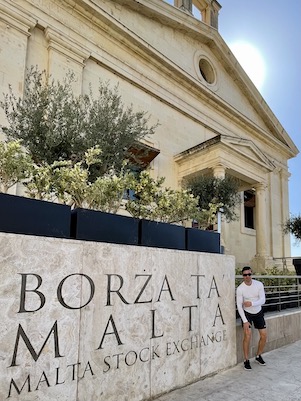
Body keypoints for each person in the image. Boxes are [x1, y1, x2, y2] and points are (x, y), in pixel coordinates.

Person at [236, 266, 267, 370]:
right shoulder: (240, 289)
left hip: (258, 312)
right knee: (247, 336)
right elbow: (239, 305)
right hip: (247, 314)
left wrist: (252, 303)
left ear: (251, 274)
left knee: (263, 335)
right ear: (243, 276)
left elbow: (263, 300)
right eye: (245, 275)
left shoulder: (259, 284)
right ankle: (246, 360)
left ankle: (258, 356)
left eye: (249, 274)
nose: (247, 276)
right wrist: (245, 321)